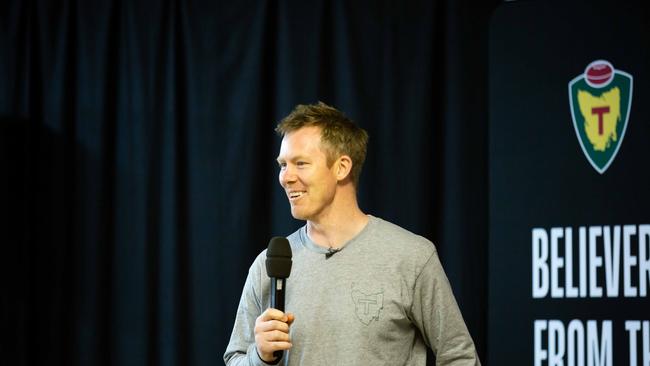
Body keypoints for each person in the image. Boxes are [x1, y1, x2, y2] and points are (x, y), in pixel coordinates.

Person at [224, 102, 480, 365]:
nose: (285, 177)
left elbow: (459, 356)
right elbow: (235, 358)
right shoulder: (268, 265)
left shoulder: (411, 257)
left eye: (300, 163)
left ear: (342, 167)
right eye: (283, 165)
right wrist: (260, 357)